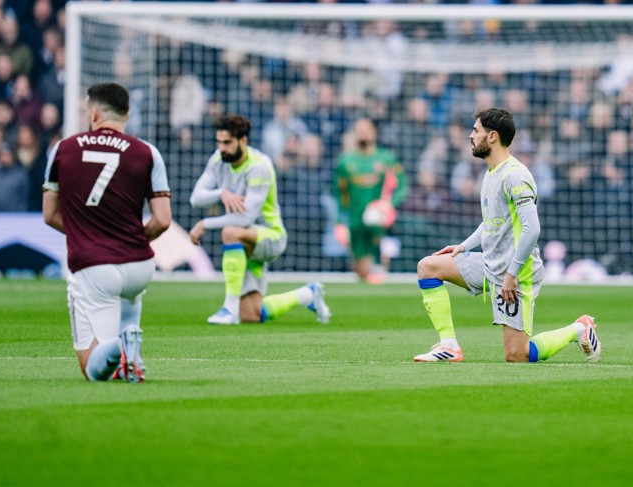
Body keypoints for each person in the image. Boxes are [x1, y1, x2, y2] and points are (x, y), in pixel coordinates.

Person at [412, 108, 601, 364]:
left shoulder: (515, 175)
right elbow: (491, 223)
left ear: (492, 137)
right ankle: (449, 346)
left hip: (516, 273)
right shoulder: (491, 173)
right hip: (490, 263)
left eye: (475, 130)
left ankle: (579, 329)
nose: (470, 136)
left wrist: (512, 274)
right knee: (428, 267)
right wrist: (463, 246)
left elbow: (532, 228)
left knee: (517, 356)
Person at [42, 83, 172, 383]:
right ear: (126, 114)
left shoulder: (63, 149)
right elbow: (163, 220)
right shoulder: (148, 152)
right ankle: (131, 350)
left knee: (93, 369)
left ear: (95, 113)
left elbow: (49, 214)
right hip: (140, 265)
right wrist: (133, 238)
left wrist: (85, 232)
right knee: (128, 301)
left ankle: (120, 345)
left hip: (94, 265)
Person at [189, 114, 330, 325]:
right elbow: (196, 198)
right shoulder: (218, 159)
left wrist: (204, 224)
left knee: (230, 231)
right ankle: (307, 294)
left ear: (243, 141)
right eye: (219, 142)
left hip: (270, 236)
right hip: (246, 243)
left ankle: (228, 308)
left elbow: (246, 216)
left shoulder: (260, 165)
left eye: (227, 143)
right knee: (252, 315)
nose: (222, 148)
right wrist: (221, 193)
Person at [333, 118, 408, 283]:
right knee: (361, 273)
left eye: (366, 129)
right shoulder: (345, 161)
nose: (363, 133)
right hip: (355, 223)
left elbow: (402, 187)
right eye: (359, 130)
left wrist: (388, 205)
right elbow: (339, 195)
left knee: (377, 273)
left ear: (374, 132)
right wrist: (339, 222)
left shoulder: (387, 159)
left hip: (379, 221)